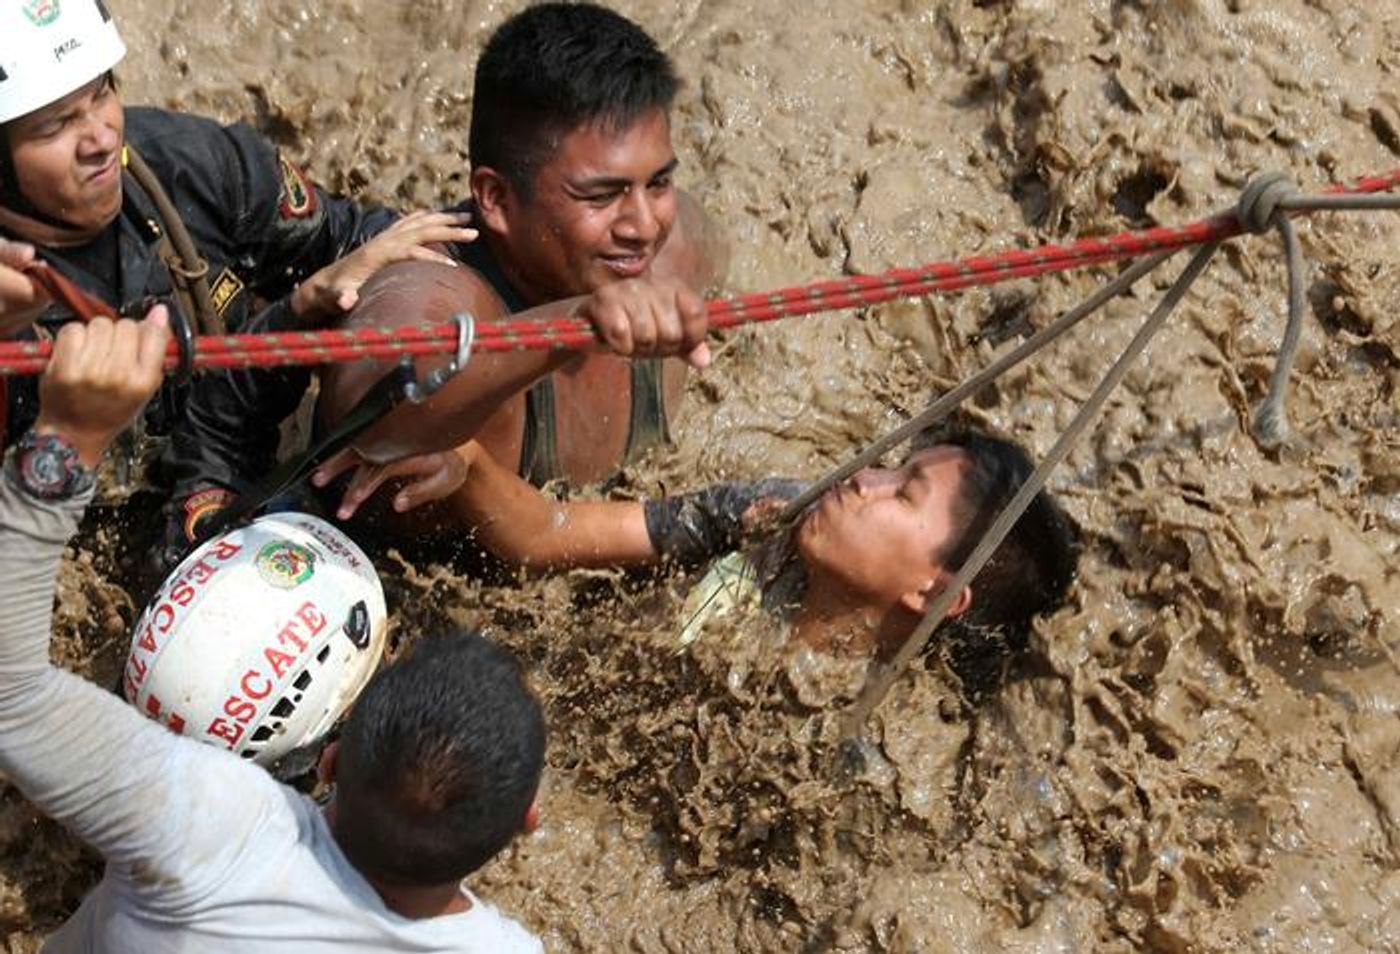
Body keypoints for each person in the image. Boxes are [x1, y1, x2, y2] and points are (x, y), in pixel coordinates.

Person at [0, 308, 550, 951]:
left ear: (333, 760)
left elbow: (12, 698)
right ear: (527, 823)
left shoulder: (212, 823)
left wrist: (67, 437)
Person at [0, 0, 475, 560]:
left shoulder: (193, 166)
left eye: (101, 92)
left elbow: (368, 240)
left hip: (241, 468)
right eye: (55, 125)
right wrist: (298, 312)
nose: (100, 139)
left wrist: (410, 409)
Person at [314, 1, 726, 515]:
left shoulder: (681, 243)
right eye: (601, 196)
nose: (644, 227)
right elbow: (371, 409)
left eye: (659, 182)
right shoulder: (437, 285)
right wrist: (580, 319)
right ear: (496, 199)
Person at [324, 422, 1078, 666]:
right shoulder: (768, 517)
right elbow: (554, 536)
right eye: (894, 466)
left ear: (938, 594)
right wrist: (467, 462)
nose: (864, 479)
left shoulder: (878, 746)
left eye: (903, 493)